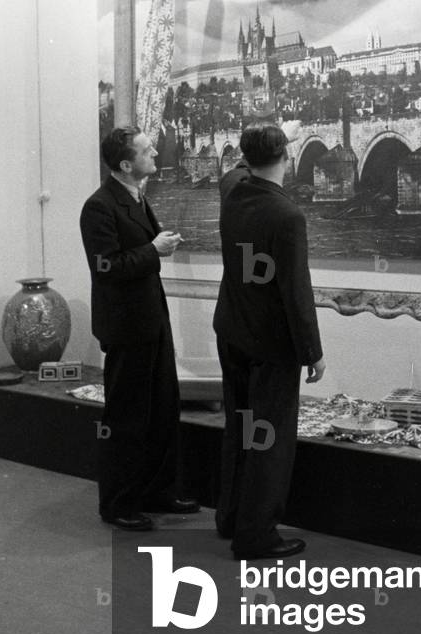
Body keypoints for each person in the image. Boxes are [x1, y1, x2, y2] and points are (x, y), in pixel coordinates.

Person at [213, 122, 325, 561]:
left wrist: (269, 141)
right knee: (270, 438)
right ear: (287, 156)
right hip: (271, 344)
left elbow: (239, 169)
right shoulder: (287, 216)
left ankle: (231, 516)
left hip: (232, 332)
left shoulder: (231, 192)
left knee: (239, 428)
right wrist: (312, 353)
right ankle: (256, 535)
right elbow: (297, 292)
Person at [79, 126, 199, 531]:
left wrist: (155, 247)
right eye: (147, 150)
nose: (154, 153)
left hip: (151, 320)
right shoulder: (98, 207)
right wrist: (154, 249)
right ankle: (119, 504)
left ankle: (157, 492)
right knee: (127, 416)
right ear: (127, 164)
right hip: (127, 326)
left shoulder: (135, 196)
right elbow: (106, 267)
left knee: (163, 407)